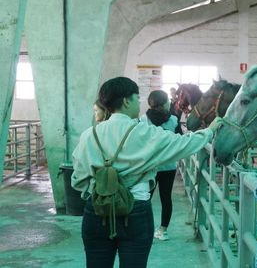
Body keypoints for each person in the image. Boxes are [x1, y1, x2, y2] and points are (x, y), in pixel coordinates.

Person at [71, 77, 221, 268]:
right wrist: (210, 131)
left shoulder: (88, 136)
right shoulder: (143, 133)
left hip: (97, 210)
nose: (138, 102)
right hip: (135, 211)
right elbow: (182, 144)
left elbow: (77, 179)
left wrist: (99, 189)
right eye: (136, 98)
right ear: (126, 101)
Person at [139, 90, 177, 241]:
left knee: (145, 197)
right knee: (166, 198)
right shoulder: (173, 120)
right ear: (163, 103)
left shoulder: (142, 121)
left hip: (150, 166)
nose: (170, 103)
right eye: (168, 100)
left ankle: (144, 229)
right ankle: (163, 230)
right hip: (168, 166)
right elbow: (179, 140)